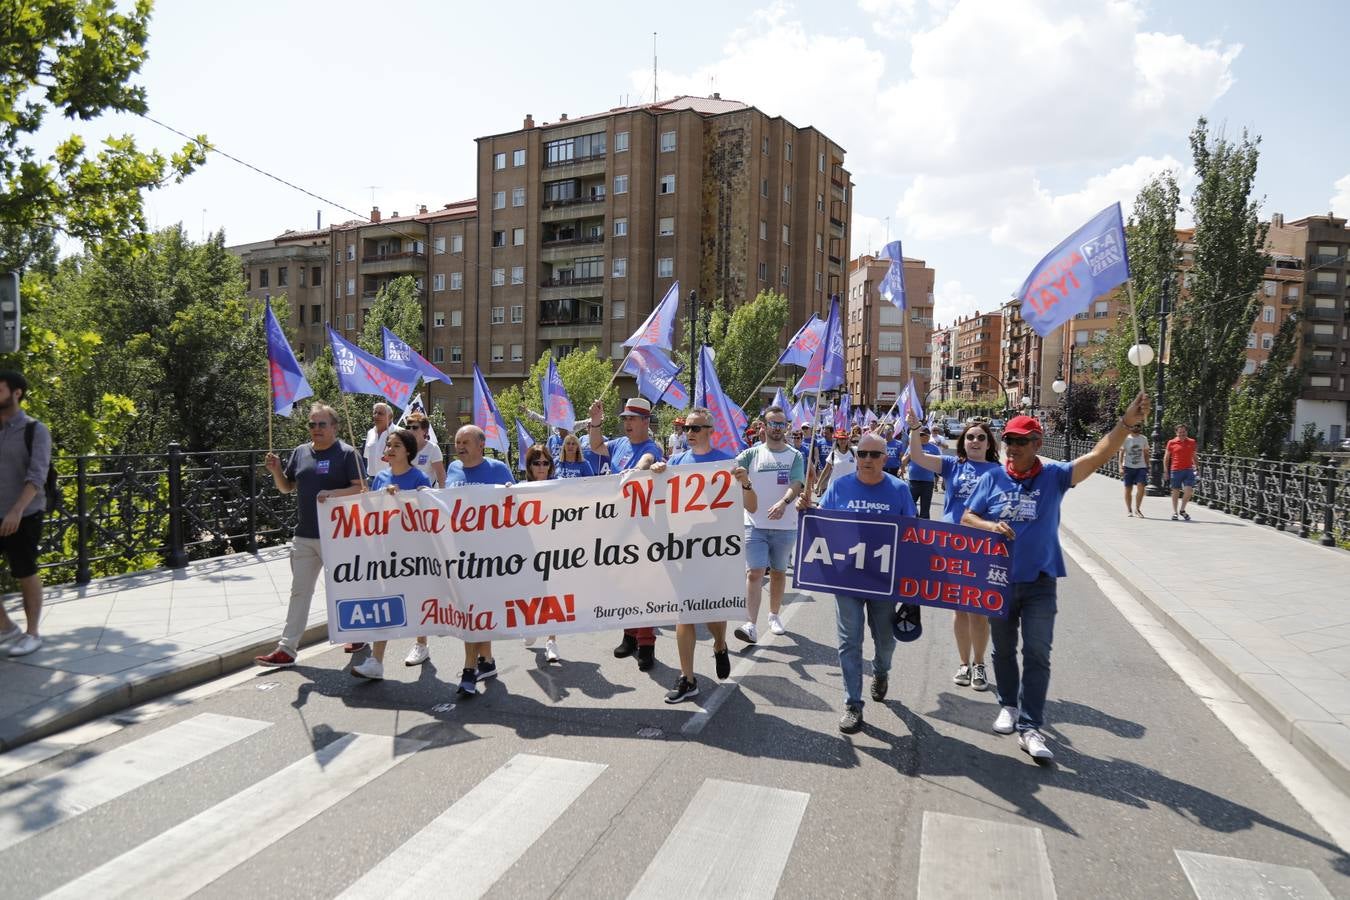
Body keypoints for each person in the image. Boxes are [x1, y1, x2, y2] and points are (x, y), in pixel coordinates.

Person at [962, 392, 1150, 762]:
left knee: (1037, 652)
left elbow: (1098, 455)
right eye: (1008, 440)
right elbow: (967, 517)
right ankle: (1008, 706)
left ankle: (1030, 726)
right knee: (1002, 650)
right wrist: (990, 525)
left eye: (1019, 441)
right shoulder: (993, 479)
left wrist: (1126, 423)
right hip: (998, 580)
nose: (1011, 447)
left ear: (1036, 444)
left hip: (1040, 581)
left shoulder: (1054, 477)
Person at [798, 432, 916, 734]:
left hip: (883, 582)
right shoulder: (839, 486)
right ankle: (852, 703)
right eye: (861, 454)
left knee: (886, 641)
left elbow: (913, 536)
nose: (866, 460)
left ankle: (880, 671)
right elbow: (822, 523)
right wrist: (806, 511)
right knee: (849, 641)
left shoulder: (900, 491)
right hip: (847, 579)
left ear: (885, 458)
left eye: (874, 455)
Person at [649, 408, 751, 702]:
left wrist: (744, 482)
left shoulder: (726, 462)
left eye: (695, 428)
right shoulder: (678, 461)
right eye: (685, 429)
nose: (689, 434)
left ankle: (720, 644)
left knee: (712, 611)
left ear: (710, 430)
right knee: (685, 613)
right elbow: (663, 496)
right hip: (685, 547)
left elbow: (752, 506)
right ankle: (688, 678)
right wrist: (657, 471)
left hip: (716, 549)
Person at [255, 403, 364, 668]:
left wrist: (333, 495)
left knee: (345, 588)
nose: (316, 429)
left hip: (338, 536)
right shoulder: (300, 452)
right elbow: (286, 487)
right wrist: (276, 471)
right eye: (312, 424)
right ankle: (287, 649)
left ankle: (358, 635)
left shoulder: (348, 454)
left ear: (335, 427)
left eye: (321, 424)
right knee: (299, 592)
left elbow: (361, 488)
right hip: (304, 535)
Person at [908, 418, 1001, 692]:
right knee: (959, 608)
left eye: (980, 438)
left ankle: (980, 664)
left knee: (979, 609)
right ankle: (964, 663)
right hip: (952, 543)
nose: (974, 441)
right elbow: (916, 455)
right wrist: (914, 431)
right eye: (970, 437)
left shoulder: (998, 470)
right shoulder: (952, 464)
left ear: (988, 443)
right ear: (963, 442)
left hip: (983, 545)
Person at [351, 428, 433, 680]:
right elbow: (374, 514)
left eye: (396, 445)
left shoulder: (419, 478)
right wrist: (367, 501)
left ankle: (421, 643)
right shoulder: (380, 478)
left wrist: (402, 499)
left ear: (407, 451)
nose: (390, 448)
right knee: (383, 602)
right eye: (388, 444)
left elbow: (427, 513)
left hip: (412, 552)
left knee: (417, 600)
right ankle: (376, 660)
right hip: (385, 551)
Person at [588, 396, 664, 670]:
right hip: (620, 524)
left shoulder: (651, 446)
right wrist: (596, 422)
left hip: (645, 527)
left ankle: (646, 643)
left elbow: (646, 461)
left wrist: (635, 472)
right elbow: (596, 444)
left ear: (645, 421)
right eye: (624, 419)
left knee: (644, 585)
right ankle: (629, 636)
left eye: (632, 418)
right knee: (624, 583)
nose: (627, 423)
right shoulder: (619, 444)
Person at [446, 424, 515, 696]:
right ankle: (486, 660)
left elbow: (517, 508)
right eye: (457, 441)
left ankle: (468, 670)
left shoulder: (498, 469)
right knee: (472, 611)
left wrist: (511, 493)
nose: (459, 446)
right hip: (460, 554)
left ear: (480, 445)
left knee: (474, 611)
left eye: (465, 441)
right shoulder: (452, 470)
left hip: (489, 557)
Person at [731, 405, 805, 646]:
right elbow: (729, 469)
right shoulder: (750, 454)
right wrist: (736, 472)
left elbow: (797, 483)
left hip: (785, 525)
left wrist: (784, 502)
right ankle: (750, 624)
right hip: (754, 523)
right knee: (755, 572)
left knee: (778, 572)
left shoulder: (795, 455)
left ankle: (774, 615)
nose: (776, 428)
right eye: (772, 423)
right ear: (763, 426)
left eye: (781, 424)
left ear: (786, 427)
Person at [0, 372, 51, 657]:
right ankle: (6, 627)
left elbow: (37, 475)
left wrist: (16, 511)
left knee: (24, 571)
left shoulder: (35, 429)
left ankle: (33, 634)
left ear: (16, 393)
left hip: (25, 513)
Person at [520, 444, 563, 663]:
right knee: (530, 591)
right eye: (537, 463)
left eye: (545, 463)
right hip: (528, 549)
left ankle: (551, 640)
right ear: (529, 466)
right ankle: (531, 624)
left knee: (552, 593)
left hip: (552, 547)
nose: (541, 467)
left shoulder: (558, 487)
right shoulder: (519, 489)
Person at [902, 425, 941, 519]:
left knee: (925, 508)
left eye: (922, 435)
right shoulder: (913, 446)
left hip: (927, 482)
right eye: (919, 435)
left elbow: (940, 464)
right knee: (910, 506)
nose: (920, 437)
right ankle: (914, 522)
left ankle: (924, 527)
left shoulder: (934, 448)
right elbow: (903, 460)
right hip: (913, 481)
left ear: (928, 436)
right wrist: (909, 455)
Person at [1163, 423, 1197, 521]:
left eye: (1184, 432)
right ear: (1176, 433)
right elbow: (1166, 457)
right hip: (1176, 470)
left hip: (1188, 470)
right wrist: (1166, 471)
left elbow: (1194, 456)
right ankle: (1175, 512)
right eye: (1180, 432)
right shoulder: (1171, 442)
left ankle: (1182, 509)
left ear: (1187, 432)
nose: (1182, 434)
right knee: (1175, 491)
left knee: (1189, 491)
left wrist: (1197, 467)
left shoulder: (1192, 442)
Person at [405, 412, 446, 488]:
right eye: (408, 427)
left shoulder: (433, 448)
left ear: (425, 431)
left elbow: (441, 475)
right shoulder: (403, 448)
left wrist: (442, 494)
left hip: (427, 493)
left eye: (414, 427)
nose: (410, 430)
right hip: (408, 493)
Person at [1119, 422, 1150, 517]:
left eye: (1138, 426)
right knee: (1128, 488)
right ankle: (1129, 509)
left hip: (1141, 466)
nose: (1136, 427)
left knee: (1141, 487)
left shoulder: (1143, 439)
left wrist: (1147, 466)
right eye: (1134, 425)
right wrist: (1120, 466)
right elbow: (1121, 453)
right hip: (1128, 466)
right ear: (1130, 427)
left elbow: (1146, 453)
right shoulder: (1126, 438)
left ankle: (1137, 509)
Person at [815, 427, 857, 494]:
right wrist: (818, 485)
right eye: (840, 439)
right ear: (837, 440)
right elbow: (826, 470)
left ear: (847, 439)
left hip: (851, 487)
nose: (843, 441)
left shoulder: (854, 451)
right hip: (835, 488)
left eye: (844, 439)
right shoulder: (833, 454)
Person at [363, 402, 393, 482]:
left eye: (380, 413)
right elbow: (367, 456)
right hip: (371, 480)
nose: (376, 416)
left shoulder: (399, 432)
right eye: (375, 413)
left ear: (390, 417)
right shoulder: (370, 433)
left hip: (391, 480)